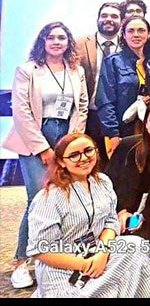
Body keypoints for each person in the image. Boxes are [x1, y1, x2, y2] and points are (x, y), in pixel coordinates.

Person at [5, 22, 89, 290]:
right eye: (50, 37)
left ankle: (57, 257)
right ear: (42, 41)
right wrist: (43, 148)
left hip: (66, 136)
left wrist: (71, 144)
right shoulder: (27, 70)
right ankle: (21, 261)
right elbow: (21, 112)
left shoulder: (76, 70)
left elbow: (82, 107)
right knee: (38, 199)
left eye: (61, 37)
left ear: (68, 42)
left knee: (66, 198)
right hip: (34, 137)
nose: (56, 42)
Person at [24, 133, 150, 297]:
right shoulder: (49, 197)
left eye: (88, 150)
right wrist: (86, 264)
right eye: (74, 155)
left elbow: (111, 222)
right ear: (61, 161)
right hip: (63, 270)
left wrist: (102, 253)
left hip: (97, 254)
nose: (84, 158)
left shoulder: (102, 182)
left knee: (138, 247)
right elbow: (40, 249)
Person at [106, 100, 150, 260]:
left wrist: (144, 216)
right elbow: (108, 183)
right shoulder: (127, 146)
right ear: (145, 123)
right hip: (121, 214)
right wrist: (120, 211)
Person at [96, 16, 150, 157]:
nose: (136, 35)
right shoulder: (113, 61)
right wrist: (113, 133)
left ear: (148, 34)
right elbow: (105, 101)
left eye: (141, 30)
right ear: (124, 35)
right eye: (131, 31)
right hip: (123, 130)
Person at [77, 2, 122, 166]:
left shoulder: (128, 44)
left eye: (114, 16)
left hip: (117, 115)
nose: (108, 19)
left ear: (122, 21)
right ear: (97, 19)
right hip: (89, 114)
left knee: (116, 164)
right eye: (104, 15)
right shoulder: (79, 44)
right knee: (89, 163)